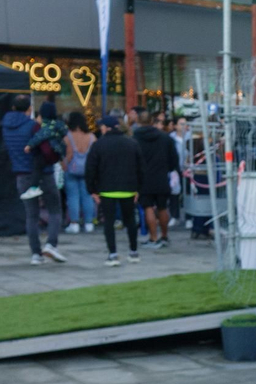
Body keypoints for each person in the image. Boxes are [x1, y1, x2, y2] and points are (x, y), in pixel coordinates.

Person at [1, 95, 65, 264]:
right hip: (43, 173)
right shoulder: (33, 127)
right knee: (55, 209)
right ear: (29, 109)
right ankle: (51, 244)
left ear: (13, 108)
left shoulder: (6, 127)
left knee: (31, 215)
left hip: (21, 174)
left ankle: (35, 254)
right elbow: (47, 149)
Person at [85, 112, 141, 266]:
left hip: (107, 189)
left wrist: (92, 190)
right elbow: (140, 168)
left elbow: (90, 169)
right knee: (130, 220)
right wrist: (138, 189)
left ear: (106, 128)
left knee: (108, 222)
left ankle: (113, 254)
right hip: (128, 188)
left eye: (102, 126)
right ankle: (133, 252)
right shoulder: (132, 143)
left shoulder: (98, 145)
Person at [131, 108, 179, 250]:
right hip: (161, 176)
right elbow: (174, 159)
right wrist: (170, 169)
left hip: (144, 178)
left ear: (138, 121)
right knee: (163, 207)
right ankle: (164, 236)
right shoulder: (165, 138)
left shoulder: (135, 139)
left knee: (148, 207)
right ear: (152, 121)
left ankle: (153, 237)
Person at [62, 112, 95, 233]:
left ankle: (74, 223)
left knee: (72, 197)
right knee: (87, 196)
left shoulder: (68, 136)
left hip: (72, 170)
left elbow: (69, 155)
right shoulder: (91, 137)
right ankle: (89, 223)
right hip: (87, 170)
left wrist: (63, 166)